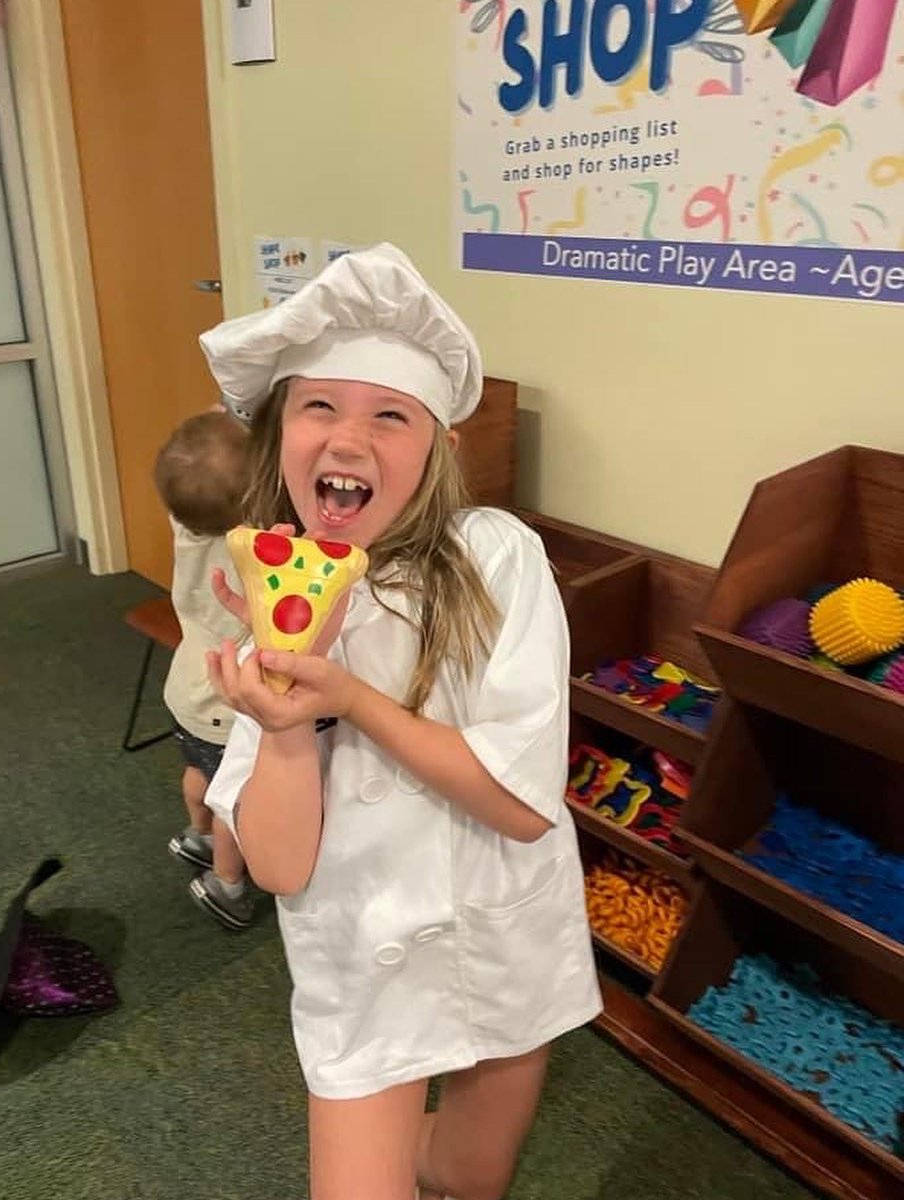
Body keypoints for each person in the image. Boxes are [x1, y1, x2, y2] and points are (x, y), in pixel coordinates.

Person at [198, 244, 602, 1200]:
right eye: (319, 408)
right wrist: (291, 724)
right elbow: (280, 868)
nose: (348, 438)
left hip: (498, 936)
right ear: (279, 438)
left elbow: (519, 803)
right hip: (362, 967)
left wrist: (349, 699)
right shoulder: (276, 594)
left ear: (437, 450)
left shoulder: (497, 558)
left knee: (467, 1177)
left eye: (390, 415)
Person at [153, 410, 257, 930]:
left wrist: (223, 412)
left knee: (198, 773)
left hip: (185, 693)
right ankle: (228, 884)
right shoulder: (253, 548)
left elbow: (200, 464)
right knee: (232, 797)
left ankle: (198, 836)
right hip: (225, 705)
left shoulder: (184, 525)